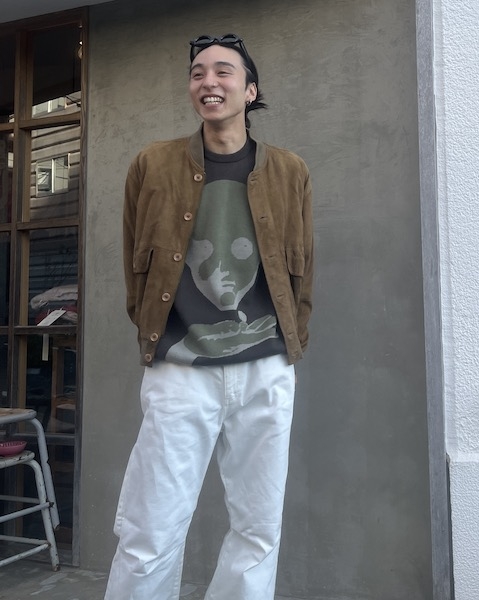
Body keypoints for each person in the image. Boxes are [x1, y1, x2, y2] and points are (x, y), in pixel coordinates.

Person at [105, 33, 313, 600]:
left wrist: (290, 342)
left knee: (258, 529)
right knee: (150, 529)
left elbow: (303, 268)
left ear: (250, 91)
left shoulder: (289, 171)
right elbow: (134, 264)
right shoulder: (152, 164)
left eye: (223, 71)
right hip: (180, 370)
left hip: (266, 369)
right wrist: (158, 332)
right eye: (197, 73)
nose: (208, 81)